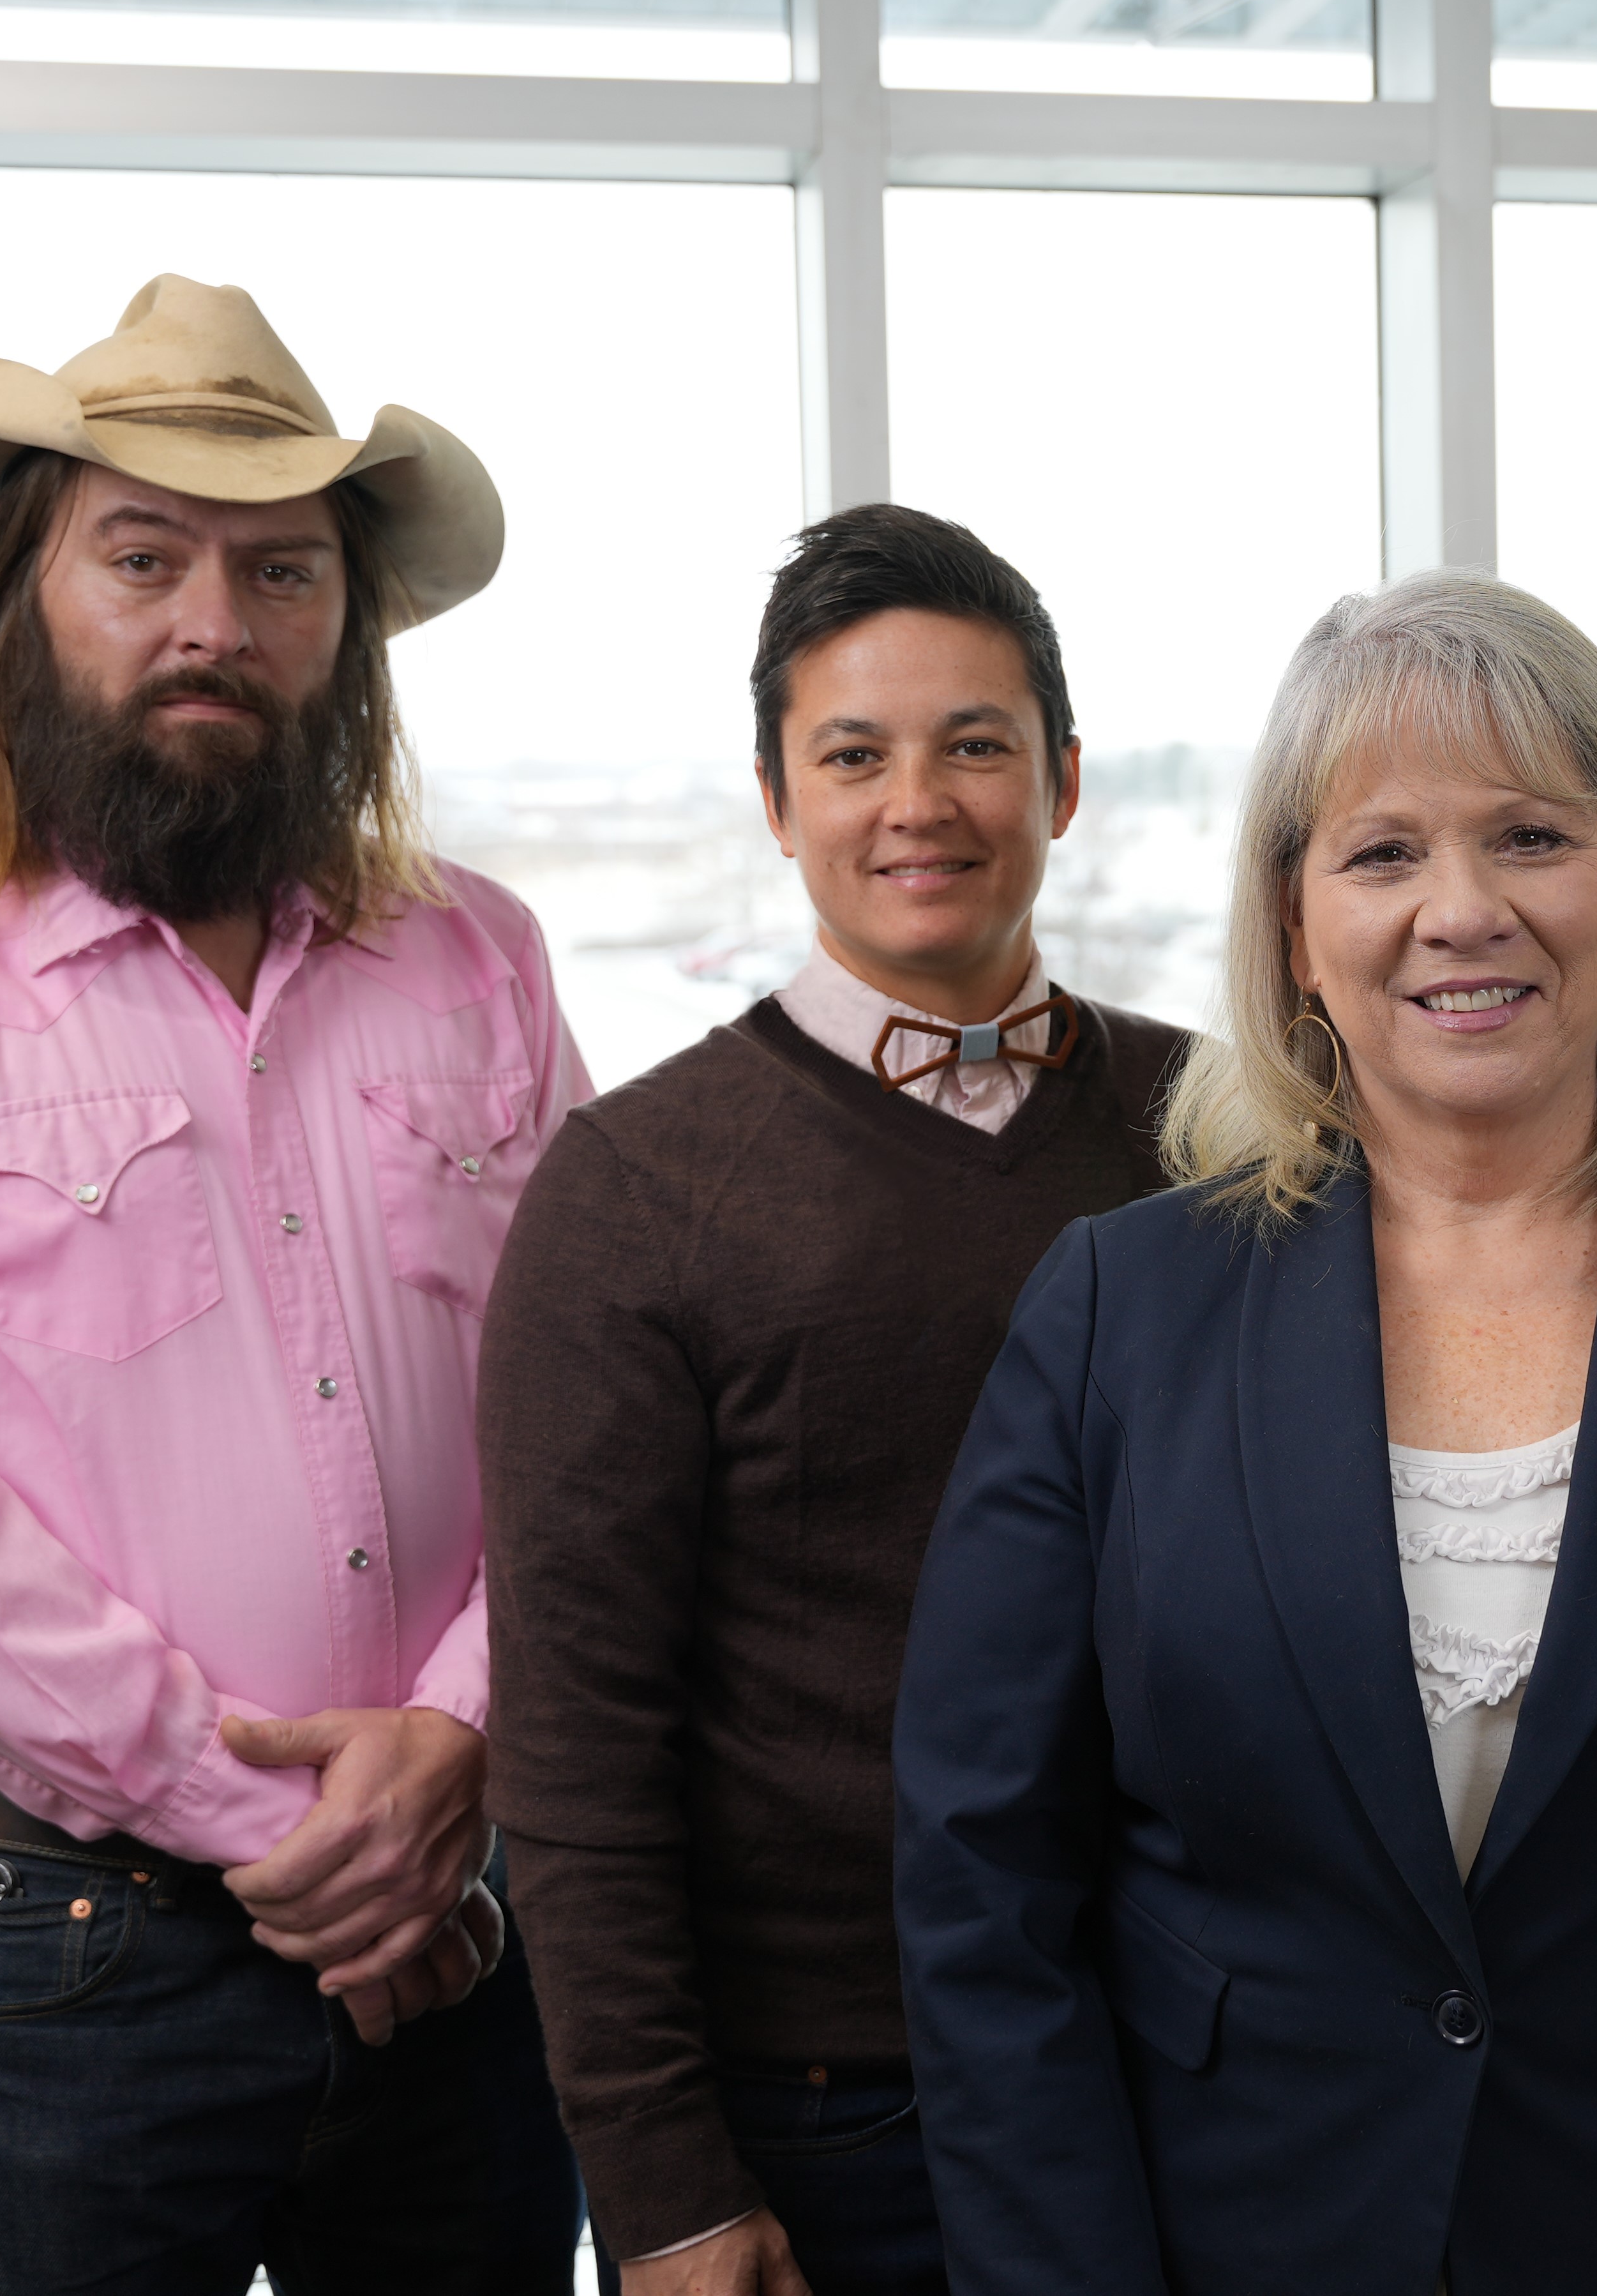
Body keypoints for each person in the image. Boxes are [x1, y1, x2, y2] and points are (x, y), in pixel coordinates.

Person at [889, 570, 1597, 2295]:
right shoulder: (1114, 1316)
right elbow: (982, 1885)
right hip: (1233, 2246)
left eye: (1530, 838)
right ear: (1295, 927)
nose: (1463, 912)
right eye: (1380, 855)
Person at [0, 275, 586, 2290]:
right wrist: (285, 1828)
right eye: (145, 558)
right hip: (72, 1979)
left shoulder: (487, 958)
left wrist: (459, 1743)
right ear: (26, 596)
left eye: (284, 571)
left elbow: (594, 1417)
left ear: (346, 634)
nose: (217, 622)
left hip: (460, 1945)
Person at [481, 503, 1189, 2296]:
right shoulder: (637, 1183)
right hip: (827, 2107)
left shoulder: (1217, 1130)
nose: (920, 804)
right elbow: (575, 1740)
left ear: (1066, 778)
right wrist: (661, 2188)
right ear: (779, 799)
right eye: (854, 755)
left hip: (1188, 2042)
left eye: (977, 746)